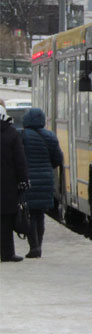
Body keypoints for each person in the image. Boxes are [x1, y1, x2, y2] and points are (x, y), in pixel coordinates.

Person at [19, 107, 63, 258]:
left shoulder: (23, 136)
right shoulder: (50, 136)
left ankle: (34, 246)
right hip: (46, 179)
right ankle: (39, 246)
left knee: (29, 213)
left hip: (29, 178)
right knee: (40, 215)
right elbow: (58, 159)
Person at [0, 104, 30, 262]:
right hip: (7, 185)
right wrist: (23, 180)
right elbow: (20, 161)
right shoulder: (11, 134)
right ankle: (7, 253)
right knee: (5, 220)